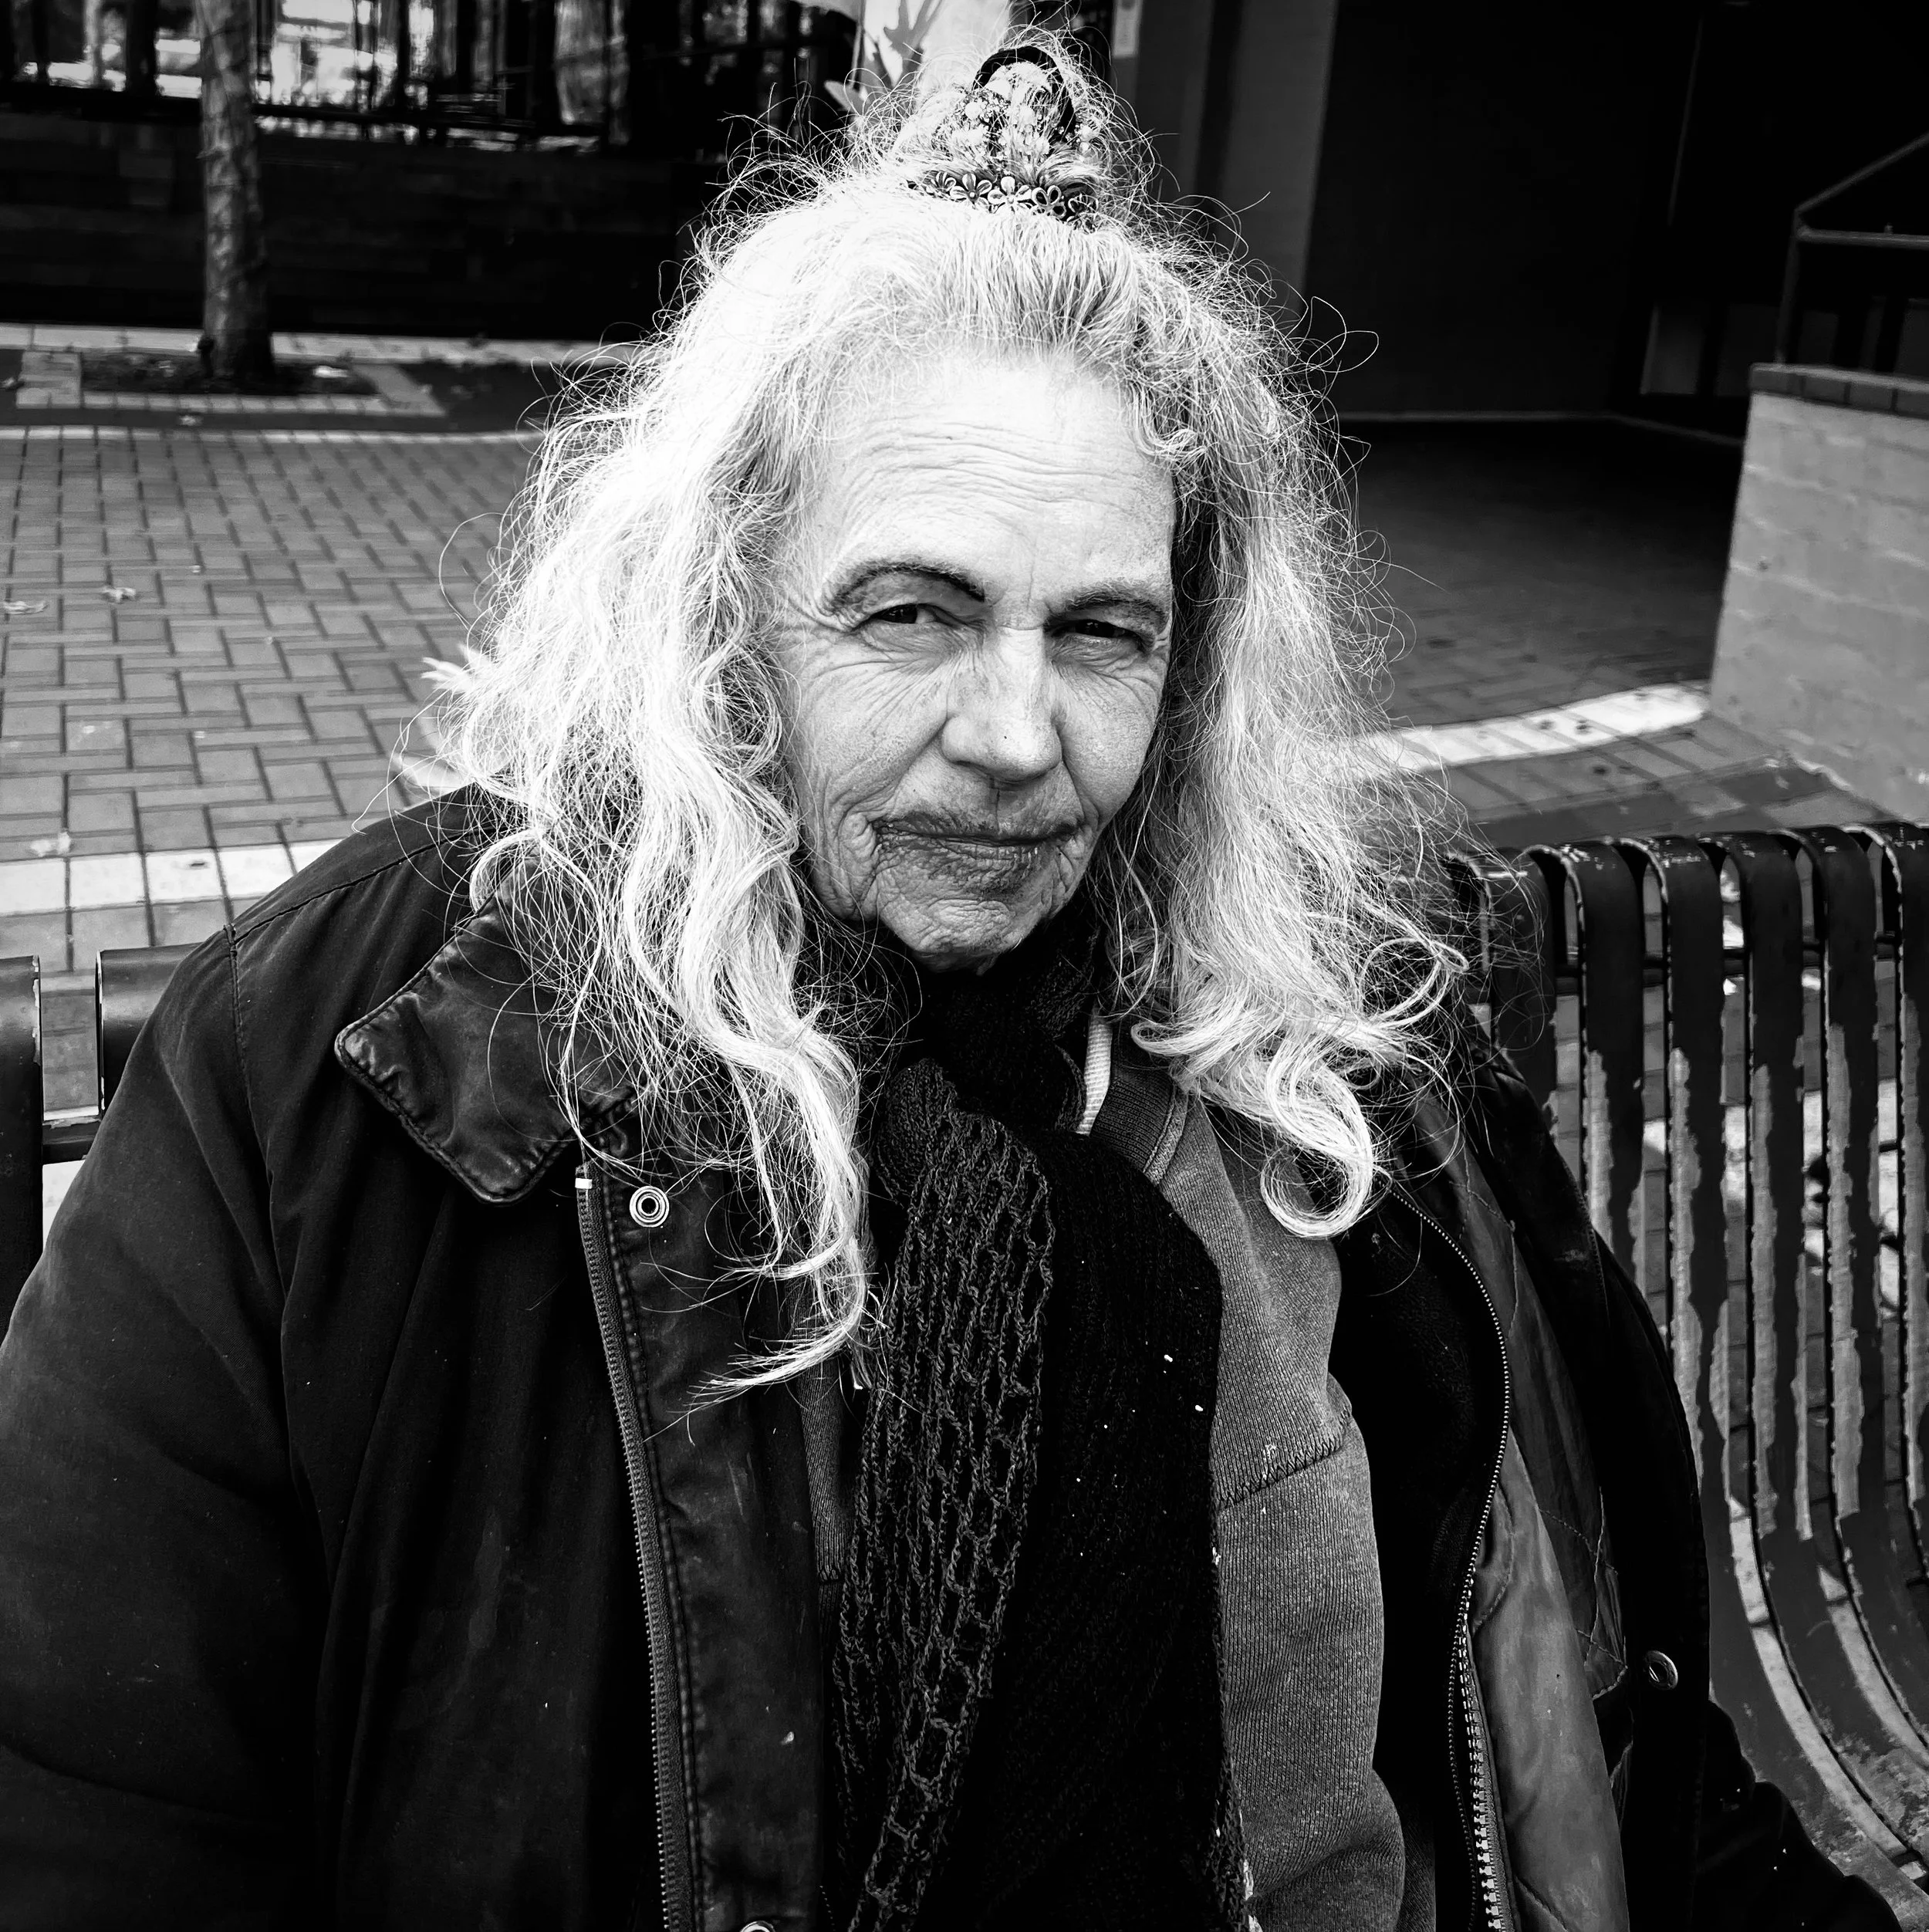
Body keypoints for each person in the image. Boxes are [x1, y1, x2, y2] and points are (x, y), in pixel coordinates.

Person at [0, 35, 1898, 1932]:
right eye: (911, 611)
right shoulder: (332, 1076)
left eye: (1101, 632)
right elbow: (95, 1814)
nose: (1013, 733)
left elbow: (1599, 1727)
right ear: (719, 612)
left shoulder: (1330, 1055)